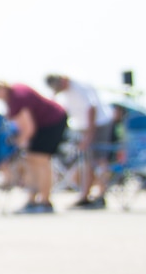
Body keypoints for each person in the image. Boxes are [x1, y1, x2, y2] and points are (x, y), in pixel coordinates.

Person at [0, 79, 68, 213]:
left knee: (41, 160)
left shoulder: (17, 98)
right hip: (43, 125)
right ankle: (32, 200)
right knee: (30, 160)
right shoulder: (14, 94)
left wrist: (17, 144)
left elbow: (29, 128)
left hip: (51, 123)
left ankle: (45, 201)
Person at [46, 74, 113, 208]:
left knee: (99, 160)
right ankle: (86, 194)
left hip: (98, 125)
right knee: (85, 161)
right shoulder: (63, 91)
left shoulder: (79, 87)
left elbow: (91, 109)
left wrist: (89, 135)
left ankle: (99, 194)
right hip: (82, 127)